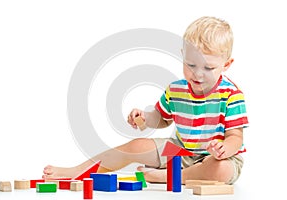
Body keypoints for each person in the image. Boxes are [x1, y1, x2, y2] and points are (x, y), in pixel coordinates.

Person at [43, 16, 249, 185]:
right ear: (183, 55)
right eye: (191, 65)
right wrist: (146, 118)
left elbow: (235, 137)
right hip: (179, 151)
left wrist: (224, 149)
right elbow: (162, 118)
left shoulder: (231, 95)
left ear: (226, 64)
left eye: (208, 68)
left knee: (220, 170)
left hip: (215, 159)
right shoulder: (176, 89)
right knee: (137, 145)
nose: (198, 74)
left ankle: (171, 178)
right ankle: (78, 171)